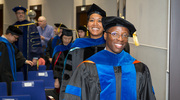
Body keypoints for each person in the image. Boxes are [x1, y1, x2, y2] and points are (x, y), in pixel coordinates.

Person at [64, 16, 156, 100]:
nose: (120, 39)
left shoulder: (139, 68)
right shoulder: (87, 67)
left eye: (125, 35)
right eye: (115, 34)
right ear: (105, 35)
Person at [59, 3, 106, 100]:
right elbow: (68, 74)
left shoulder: (110, 46)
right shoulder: (78, 45)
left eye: (99, 21)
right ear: (87, 24)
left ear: (104, 25)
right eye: (92, 20)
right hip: (81, 94)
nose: (95, 24)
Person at [0, 25, 34, 95]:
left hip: (9, 74)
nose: (16, 40)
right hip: (2, 75)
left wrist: (24, 60)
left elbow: (17, 53)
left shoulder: (10, 44)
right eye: (15, 38)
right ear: (10, 35)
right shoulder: (1, 45)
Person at [12, 6, 42, 73]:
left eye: (22, 13)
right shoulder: (13, 27)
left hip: (30, 57)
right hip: (16, 58)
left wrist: (35, 57)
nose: (20, 14)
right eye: (18, 13)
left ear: (24, 14)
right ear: (16, 14)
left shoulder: (31, 26)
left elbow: (36, 42)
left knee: (30, 77)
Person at [45, 29, 73, 100]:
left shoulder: (73, 48)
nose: (67, 40)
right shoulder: (58, 49)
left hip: (72, 76)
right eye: (65, 38)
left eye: (69, 38)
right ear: (61, 37)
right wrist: (56, 79)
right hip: (61, 76)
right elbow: (56, 66)